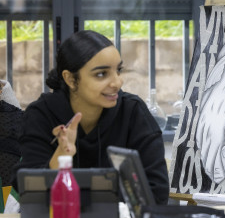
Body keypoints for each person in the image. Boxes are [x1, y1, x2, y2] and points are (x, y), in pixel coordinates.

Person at [15, 30, 169, 204]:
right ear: (71, 79)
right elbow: (28, 192)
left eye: (118, 70)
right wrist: (60, 158)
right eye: (101, 74)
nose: (117, 82)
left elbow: (157, 191)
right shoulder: (41, 114)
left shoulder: (133, 112)